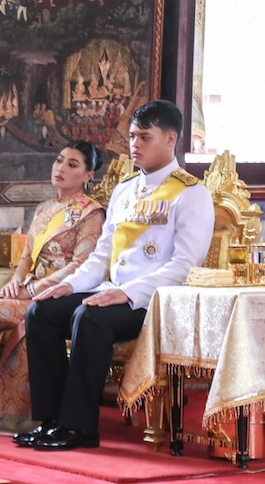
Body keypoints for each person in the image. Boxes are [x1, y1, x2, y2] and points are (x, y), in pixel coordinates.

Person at [16, 99, 215, 451]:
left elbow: (185, 266)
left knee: (89, 317)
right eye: (133, 136)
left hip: (153, 301)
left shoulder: (191, 194)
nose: (134, 145)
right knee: (41, 311)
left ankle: (79, 428)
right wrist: (68, 285)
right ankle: (51, 421)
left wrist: (127, 293)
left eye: (144, 137)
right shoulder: (124, 190)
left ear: (170, 139)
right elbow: (101, 257)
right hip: (113, 292)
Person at [0, 141, 105, 430]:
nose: (61, 168)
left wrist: (32, 290)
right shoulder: (44, 209)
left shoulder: (92, 214)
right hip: (28, 290)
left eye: (72, 164)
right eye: (59, 160)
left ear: (88, 176)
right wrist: (14, 283)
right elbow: (26, 258)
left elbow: (81, 265)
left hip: (60, 295)